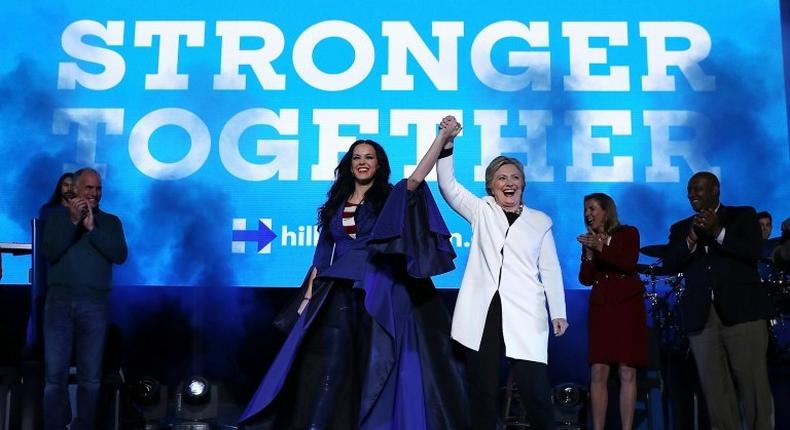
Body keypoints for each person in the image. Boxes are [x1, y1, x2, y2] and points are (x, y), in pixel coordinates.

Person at [240, 136, 468, 429]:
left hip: (378, 291)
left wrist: (443, 138)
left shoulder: (388, 198)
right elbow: (322, 256)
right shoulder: (335, 204)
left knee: (376, 360)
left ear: (378, 164)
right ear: (349, 165)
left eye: (369, 157)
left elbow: (415, 179)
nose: (362, 162)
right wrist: (308, 297)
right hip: (337, 290)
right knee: (329, 362)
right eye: (357, 157)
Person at [433, 116, 568, 430]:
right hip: (485, 311)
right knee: (483, 392)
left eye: (515, 177)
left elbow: (549, 268)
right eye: (502, 178)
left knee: (535, 391)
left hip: (526, 311)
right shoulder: (482, 210)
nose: (509, 183)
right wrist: (448, 143)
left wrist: (557, 310)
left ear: (523, 184)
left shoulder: (539, 221)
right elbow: (447, 185)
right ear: (491, 186)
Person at [663, 171, 773, 430]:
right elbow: (669, 263)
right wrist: (691, 238)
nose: (692, 195)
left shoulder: (742, 216)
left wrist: (718, 231)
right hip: (702, 318)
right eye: (689, 190)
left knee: (753, 387)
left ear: (715, 190)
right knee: (716, 394)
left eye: (698, 189)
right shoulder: (681, 228)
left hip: (742, 313)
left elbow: (752, 252)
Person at [41, 168, 127, 430]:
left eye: (98, 189)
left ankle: (84, 426)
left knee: (91, 379)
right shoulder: (55, 219)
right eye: (89, 188)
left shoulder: (110, 222)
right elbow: (50, 252)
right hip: (59, 303)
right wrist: (73, 222)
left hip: (94, 305)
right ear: (75, 190)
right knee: (55, 377)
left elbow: (119, 255)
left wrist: (92, 230)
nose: (95, 194)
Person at [577, 193, 647, 430]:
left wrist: (601, 246)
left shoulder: (628, 233)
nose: (588, 214)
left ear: (606, 211)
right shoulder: (590, 241)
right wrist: (588, 255)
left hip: (626, 308)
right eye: (586, 210)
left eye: (593, 209)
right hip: (602, 309)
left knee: (627, 371)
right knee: (598, 371)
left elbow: (627, 263)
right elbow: (585, 279)